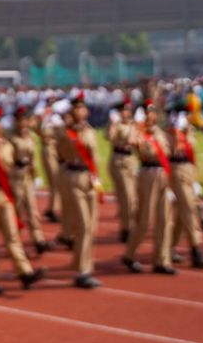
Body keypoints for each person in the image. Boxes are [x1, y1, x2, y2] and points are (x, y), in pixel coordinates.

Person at [0, 109, 45, 294]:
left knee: (12, 235)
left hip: (3, 192)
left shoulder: (7, 144)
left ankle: (25, 272)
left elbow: (11, 168)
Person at [56, 94, 102, 288]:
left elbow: (94, 156)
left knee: (91, 226)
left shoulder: (90, 131)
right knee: (83, 224)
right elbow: (61, 146)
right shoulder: (64, 131)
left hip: (89, 177)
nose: (80, 112)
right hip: (73, 176)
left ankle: (80, 261)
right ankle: (83, 271)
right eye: (76, 108)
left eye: (82, 108)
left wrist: (97, 180)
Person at [122, 100, 172, 274]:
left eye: (153, 111)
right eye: (149, 111)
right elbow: (130, 140)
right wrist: (138, 124)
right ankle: (129, 254)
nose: (153, 114)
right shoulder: (139, 131)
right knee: (144, 220)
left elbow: (167, 152)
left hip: (163, 173)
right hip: (147, 172)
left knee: (164, 219)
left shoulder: (158, 131)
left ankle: (162, 260)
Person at [166, 105, 203, 269]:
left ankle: (169, 248)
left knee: (181, 214)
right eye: (186, 115)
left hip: (188, 170)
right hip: (177, 171)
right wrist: (178, 131)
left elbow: (191, 152)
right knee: (188, 210)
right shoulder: (172, 133)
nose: (189, 118)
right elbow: (174, 151)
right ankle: (197, 251)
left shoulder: (189, 131)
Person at [8, 107, 49, 255]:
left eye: (25, 119)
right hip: (14, 176)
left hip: (26, 176)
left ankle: (38, 239)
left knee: (32, 210)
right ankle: (15, 243)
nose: (23, 123)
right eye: (20, 120)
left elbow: (33, 158)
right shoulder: (10, 137)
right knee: (17, 211)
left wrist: (35, 175)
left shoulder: (30, 136)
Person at [106, 100, 138, 244]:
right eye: (125, 110)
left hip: (131, 160)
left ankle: (127, 228)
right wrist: (113, 123)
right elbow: (109, 137)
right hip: (119, 161)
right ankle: (127, 228)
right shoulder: (117, 125)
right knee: (127, 197)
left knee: (131, 198)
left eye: (129, 110)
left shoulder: (134, 124)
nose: (128, 112)